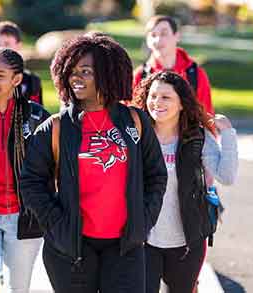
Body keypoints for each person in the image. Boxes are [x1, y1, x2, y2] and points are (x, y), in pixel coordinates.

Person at [20, 34, 168, 292]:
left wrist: (143, 221)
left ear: (107, 74)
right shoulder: (56, 127)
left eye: (85, 71)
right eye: (72, 71)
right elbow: (31, 181)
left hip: (125, 247)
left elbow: (156, 175)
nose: (75, 77)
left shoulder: (135, 121)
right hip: (72, 249)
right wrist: (56, 223)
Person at [133, 71, 238, 293]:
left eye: (166, 97)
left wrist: (227, 133)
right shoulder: (137, 135)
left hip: (187, 242)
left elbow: (226, 176)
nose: (157, 102)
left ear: (182, 103)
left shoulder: (197, 137)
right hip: (144, 240)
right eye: (153, 96)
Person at [0, 48, 50, 293]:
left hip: (24, 217)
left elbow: (54, 167)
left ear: (16, 80)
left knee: (19, 288)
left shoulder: (37, 117)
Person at [133, 15, 215, 115]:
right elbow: (132, 118)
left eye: (164, 34)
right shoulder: (140, 75)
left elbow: (207, 116)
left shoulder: (195, 74)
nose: (158, 40)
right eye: (153, 35)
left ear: (177, 36)